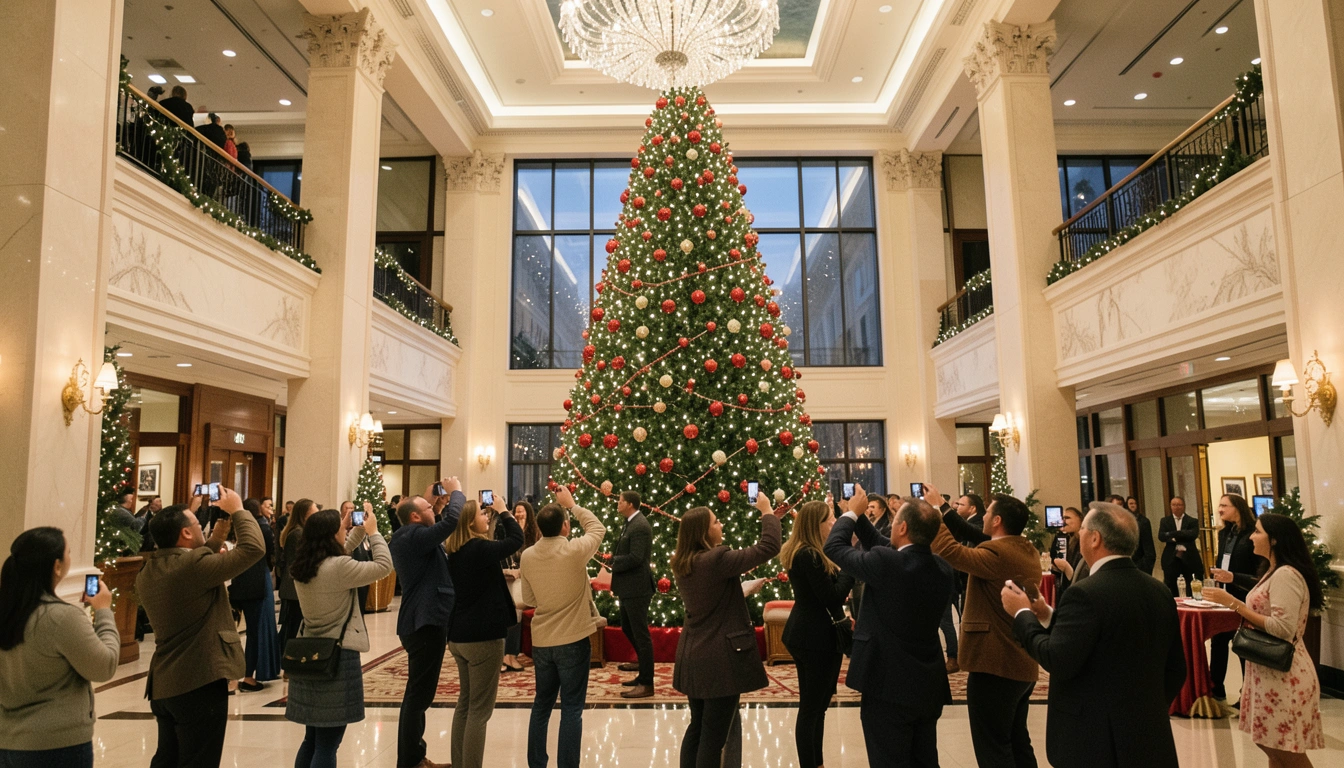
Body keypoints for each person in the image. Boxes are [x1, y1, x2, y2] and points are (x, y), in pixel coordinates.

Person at [1001, 501, 1185, 768]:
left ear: (1095, 538)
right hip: (1148, 735)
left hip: (1094, 740)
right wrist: (1045, 614)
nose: (1079, 534)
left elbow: (1057, 658)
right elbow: (1176, 669)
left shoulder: (1085, 592)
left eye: (1083, 528)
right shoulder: (1159, 590)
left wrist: (1022, 614)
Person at [824, 489, 954, 768]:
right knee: (924, 759)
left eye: (895, 521)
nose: (891, 525)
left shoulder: (887, 562)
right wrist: (858, 515)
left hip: (887, 682)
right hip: (927, 681)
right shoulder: (942, 568)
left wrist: (848, 514)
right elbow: (886, 544)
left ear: (903, 527)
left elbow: (833, 547)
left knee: (889, 759)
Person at [137, 488, 264, 768]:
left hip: (165, 684)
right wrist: (238, 510)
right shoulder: (193, 567)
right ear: (184, 534)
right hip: (198, 681)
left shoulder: (150, 570)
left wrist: (216, 537)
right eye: (196, 524)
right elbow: (254, 548)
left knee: (167, 759)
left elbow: (190, 563)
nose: (200, 528)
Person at [926, 483, 1041, 768]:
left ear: (998, 520)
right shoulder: (1024, 549)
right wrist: (943, 506)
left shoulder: (998, 554)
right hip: (1020, 661)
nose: (984, 516)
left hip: (996, 664)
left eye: (988, 511)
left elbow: (949, 550)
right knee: (1016, 740)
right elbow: (974, 535)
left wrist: (934, 512)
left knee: (993, 746)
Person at [672, 492, 784, 768]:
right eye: (716, 521)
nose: (721, 525)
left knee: (697, 728)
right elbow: (769, 546)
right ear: (703, 532)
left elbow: (709, 598)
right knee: (713, 738)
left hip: (693, 655)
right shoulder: (716, 559)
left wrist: (740, 590)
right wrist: (767, 510)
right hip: (719, 660)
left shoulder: (683, 561)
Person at [1204, 513, 1324, 765]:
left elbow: (1282, 628)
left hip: (1285, 674)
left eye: (1257, 532)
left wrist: (1235, 604)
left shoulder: (1286, 575)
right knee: (1270, 743)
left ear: (1275, 540)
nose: (1251, 536)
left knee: (1287, 752)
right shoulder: (1273, 570)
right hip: (1268, 671)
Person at [0, 528, 120, 768]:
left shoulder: (8, 612)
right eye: (69, 552)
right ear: (56, 566)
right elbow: (104, 666)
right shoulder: (61, 617)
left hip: (9, 740)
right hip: (56, 745)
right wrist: (104, 610)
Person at [287, 506, 391, 767]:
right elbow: (383, 566)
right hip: (338, 656)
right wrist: (374, 532)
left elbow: (338, 555)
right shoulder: (339, 568)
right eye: (341, 530)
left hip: (311, 653)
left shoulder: (303, 566)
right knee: (328, 743)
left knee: (311, 739)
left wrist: (351, 529)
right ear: (332, 535)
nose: (345, 531)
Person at [519, 487, 606, 768]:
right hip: (573, 639)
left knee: (541, 704)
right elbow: (597, 528)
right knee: (571, 708)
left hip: (543, 641)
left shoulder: (528, 556)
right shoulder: (574, 550)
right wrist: (573, 504)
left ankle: (536, 763)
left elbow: (529, 599)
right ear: (565, 526)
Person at [388, 479, 464, 768]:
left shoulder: (413, 534)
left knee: (419, 695)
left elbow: (440, 520)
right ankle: (410, 761)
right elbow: (452, 522)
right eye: (428, 508)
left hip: (424, 621)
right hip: (424, 622)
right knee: (418, 697)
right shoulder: (412, 535)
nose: (435, 509)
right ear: (415, 516)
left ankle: (415, 756)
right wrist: (456, 491)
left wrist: (439, 503)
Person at [445, 495, 523, 768]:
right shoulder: (477, 549)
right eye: (482, 514)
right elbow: (516, 540)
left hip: (459, 634)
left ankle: (460, 763)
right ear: (469, 522)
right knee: (479, 710)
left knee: (465, 704)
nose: (487, 516)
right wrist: (504, 511)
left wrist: (495, 516)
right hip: (482, 636)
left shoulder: (456, 552)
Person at [780, 497, 854, 768]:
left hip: (811, 633)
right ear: (816, 525)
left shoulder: (811, 552)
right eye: (830, 519)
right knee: (812, 708)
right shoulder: (808, 555)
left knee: (818, 706)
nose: (834, 523)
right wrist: (849, 565)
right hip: (813, 637)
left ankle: (817, 762)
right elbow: (832, 596)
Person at [1207, 494, 1265, 699]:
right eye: (1219, 505)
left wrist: (1234, 577)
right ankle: (1215, 688)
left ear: (1238, 508)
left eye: (1224, 505)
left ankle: (1246, 692)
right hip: (1224, 593)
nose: (1220, 509)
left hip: (1245, 595)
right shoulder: (1225, 533)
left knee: (1243, 644)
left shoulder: (1254, 534)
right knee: (1218, 640)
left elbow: (1259, 572)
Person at [228, 498, 281, 692]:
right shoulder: (262, 528)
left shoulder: (240, 528)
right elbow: (268, 556)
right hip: (257, 583)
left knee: (242, 631)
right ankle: (248, 676)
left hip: (241, 582)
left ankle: (236, 677)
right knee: (257, 631)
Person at [610, 490, 656, 698]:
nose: (617, 504)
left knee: (641, 634)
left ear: (629, 504)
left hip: (637, 588)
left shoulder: (640, 526)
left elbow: (636, 557)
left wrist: (614, 562)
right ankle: (642, 669)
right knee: (628, 628)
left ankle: (647, 682)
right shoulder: (631, 522)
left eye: (620, 501)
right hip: (628, 587)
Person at [501, 500, 540, 673]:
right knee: (510, 613)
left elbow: (535, 557)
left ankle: (511, 655)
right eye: (516, 511)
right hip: (510, 578)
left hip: (528, 581)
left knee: (515, 612)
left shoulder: (534, 534)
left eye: (522, 511)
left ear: (528, 514)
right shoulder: (507, 531)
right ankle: (506, 656)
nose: (518, 514)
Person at [278, 498, 317, 649]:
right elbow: (301, 560)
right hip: (294, 589)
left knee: (293, 627)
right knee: (291, 629)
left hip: (295, 587)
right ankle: (285, 661)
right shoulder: (298, 534)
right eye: (314, 512)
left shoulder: (300, 532)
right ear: (305, 514)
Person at [1159, 496, 1204, 596]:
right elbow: (1161, 536)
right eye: (1174, 505)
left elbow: (1192, 535)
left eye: (1179, 505)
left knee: (1191, 587)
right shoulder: (1165, 521)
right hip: (1171, 558)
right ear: (1170, 506)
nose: (1176, 507)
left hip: (1189, 558)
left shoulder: (1192, 521)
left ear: (1183, 506)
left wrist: (1172, 534)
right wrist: (1182, 534)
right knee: (1171, 586)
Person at [1050, 506, 1089, 596]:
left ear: (1080, 520)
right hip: (1067, 589)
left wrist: (1067, 568)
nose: (1063, 521)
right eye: (1062, 518)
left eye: (1067, 518)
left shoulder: (1085, 542)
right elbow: (1054, 557)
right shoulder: (1067, 539)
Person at [1126, 496, 1157, 575]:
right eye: (1130, 504)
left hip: (1140, 562)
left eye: (1135, 503)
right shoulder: (1124, 521)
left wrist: (1145, 564)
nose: (1133, 505)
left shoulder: (1143, 521)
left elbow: (1149, 546)